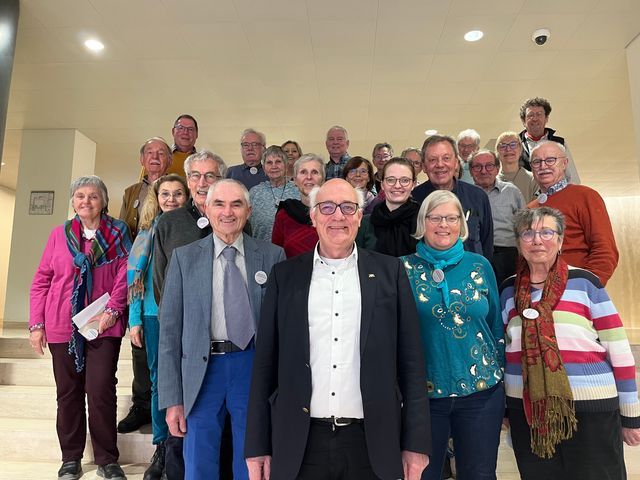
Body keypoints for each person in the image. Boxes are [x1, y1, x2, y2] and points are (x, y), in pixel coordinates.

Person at [245, 179, 431, 480]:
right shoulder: (285, 276)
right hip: (301, 442)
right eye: (327, 207)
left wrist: (415, 443)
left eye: (348, 207)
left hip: (372, 441)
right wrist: (257, 445)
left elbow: (411, 362)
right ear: (314, 216)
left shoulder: (390, 272)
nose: (338, 216)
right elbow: (265, 364)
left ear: (359, 216)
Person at [499, 207, 640, 480]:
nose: (537, 240)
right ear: (518, 242)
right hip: (529, 411)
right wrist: (506, 408)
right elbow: (506, 353)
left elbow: (619, 349)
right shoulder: (508, 290)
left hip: (591, 409)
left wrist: (631, 415)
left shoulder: (585, 283)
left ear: (561, 241)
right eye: (527, 233)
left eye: (546, 232)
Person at [158, 179, 285, 480]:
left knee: (253, 460)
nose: (227, 212)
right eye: (219, 204)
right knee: (199, 461)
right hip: (202, 372)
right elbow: (169, 334)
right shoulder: (184, 258)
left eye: (236, 204)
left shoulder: (272, 256)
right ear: (206, 208)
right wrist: (172, 398)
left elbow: (282, 329)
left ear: (249, 210)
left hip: (251, 366)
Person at [30, 175, 131, 480]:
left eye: (93, 196)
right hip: (62, 324)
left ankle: (107, 459)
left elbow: (127, 272)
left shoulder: (118, 232)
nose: (86, 201)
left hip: (102, 324)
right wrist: (37, 324)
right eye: (80, 196)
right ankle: (71, 457)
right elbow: (42, 280)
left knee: (100, 390)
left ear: (104, 201)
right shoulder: (58, 235)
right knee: (68, 393)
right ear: (72, 201)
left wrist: (113, 311)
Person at [401, 190, 504, 480]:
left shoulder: (479, 265)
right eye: (435, 217)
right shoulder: (401, 268)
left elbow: (495, 327)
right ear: (423, 222)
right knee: (422, 474)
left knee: (479, 474)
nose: (443, 224)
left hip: (481, 392)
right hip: (424, 397)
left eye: (451, 217)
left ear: (461, 223)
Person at [152, 150, 230, 480]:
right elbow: (159, 282)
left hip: (224, 339)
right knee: (181, 421)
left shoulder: (230, 216)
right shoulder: (169, 223)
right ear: (187, 180)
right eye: (196, 176)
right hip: (185, 340)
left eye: (210, 175)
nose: (202, 182)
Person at [127, 174, 189, 480]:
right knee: (157, 381)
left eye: (178, 194)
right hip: (152, 316)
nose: (172, 199)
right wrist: (134, 319)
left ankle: (180, 443)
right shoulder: (145, 234)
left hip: (182, 314)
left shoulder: (191, 229)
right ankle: (161, 445)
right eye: (166, 194)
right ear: (156, 197)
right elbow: (134, 283)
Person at [119, 137, 172, 437]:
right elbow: (127, 231)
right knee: (141, 352)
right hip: (140, 279)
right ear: (142, 160)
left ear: (168, 159)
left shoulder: (178, 192)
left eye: (161, 153)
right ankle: (141, 405)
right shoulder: (130, 193)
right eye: (149, 153)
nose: (155, 157)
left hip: (166, 288)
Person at [527, 141, 618, 285]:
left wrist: (587, 286)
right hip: (539, 291)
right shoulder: (530, 208)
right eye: (537, 162)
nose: (543, 166)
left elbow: (604, 250)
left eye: (550, 160)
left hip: (576, 289)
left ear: (565, 163)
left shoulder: (585, 196)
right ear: (531, 167)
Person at [412, 134, 494, 261]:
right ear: (423, 166)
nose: (440, 164)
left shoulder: (477, 196)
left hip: (471, 274)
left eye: (446, 158)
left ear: (456, 162)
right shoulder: (413, 199)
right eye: (432, 160)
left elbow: (487, 243)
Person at [469, 150, 526, 285]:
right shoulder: (465, 195)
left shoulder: (512, 192)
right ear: (471, 171)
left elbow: (525, 226)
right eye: (477, 167)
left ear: (497, 168)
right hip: (474, 255)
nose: (483, 171)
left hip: (506, 256)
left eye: (489, 166)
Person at [356, 158, 419, 257]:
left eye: (405, 180)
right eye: (390, 180)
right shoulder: (365, 224)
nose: (397, 185)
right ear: (382, 184)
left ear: (413, 184)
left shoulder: (424, 221)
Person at [271, 153, 324, 257]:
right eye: (303, 172)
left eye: (315, 172)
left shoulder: (333, 213)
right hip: (292, 272)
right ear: (295, 180)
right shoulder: (284, 214)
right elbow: (276, 254)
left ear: (323, 180)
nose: (309, 177)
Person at [517, 97, 580, 183]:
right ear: (523, 121)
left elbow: (572, 177)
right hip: (525, 195)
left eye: (539, 114)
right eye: (530, 115)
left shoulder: (560, 143)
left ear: (546, 119)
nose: (535, 119)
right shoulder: (515, 145)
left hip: (555, 194)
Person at [248, 145, 300, 241]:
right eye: (269, 163)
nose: (274, 166)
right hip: (261, 251)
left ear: (286, 165)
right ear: (263, 168)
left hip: (291, 251)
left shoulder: (298, 190)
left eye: (278, 162)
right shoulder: (254, 192)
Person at [495, 131, 538, 202]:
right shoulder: (491, 180)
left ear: (521, 149)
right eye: (503, 146)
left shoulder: (533, 180)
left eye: (513, 145)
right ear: (497, 151)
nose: (508, 149)